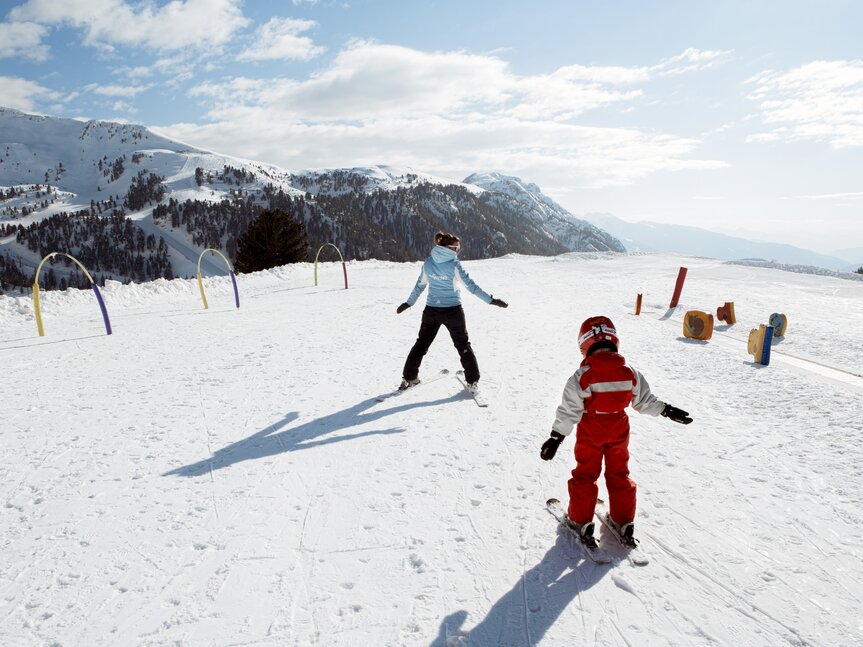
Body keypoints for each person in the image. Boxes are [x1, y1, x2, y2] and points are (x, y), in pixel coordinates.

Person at [539, 315, 692, 547]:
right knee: (619, 473)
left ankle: (580, 520)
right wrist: (666, 410)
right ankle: (624, 521)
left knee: (586, 474)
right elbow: (644, 400)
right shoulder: (629, 372)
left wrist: (556, 437)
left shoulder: (583, 376)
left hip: (591, 429)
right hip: (619, 429)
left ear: (585, 344)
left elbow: (569, 410)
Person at [396, 232, 508, 392]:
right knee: (463, 345)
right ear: (449, 248)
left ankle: (409, 378)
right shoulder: (454, 264)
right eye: (457, 248)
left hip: (431, 311)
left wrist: (409, 302)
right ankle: (472, 381)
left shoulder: (428, 262)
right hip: (453, 311)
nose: (458, 251)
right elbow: (471, 286)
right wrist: (491, 300)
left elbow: (420, 285)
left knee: (421, 343)